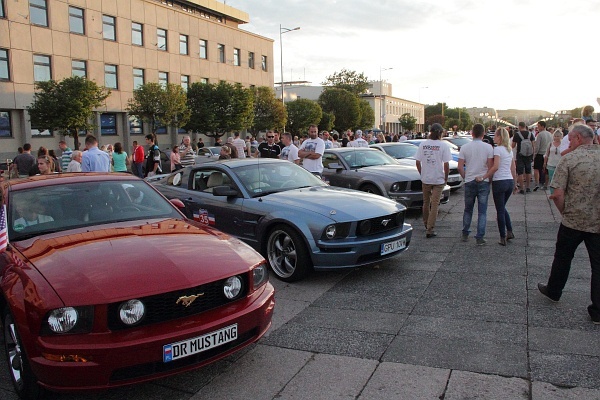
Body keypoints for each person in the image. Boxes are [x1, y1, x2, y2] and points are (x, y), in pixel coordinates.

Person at [537, 124, 600, 325]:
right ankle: (597, 310)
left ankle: (554, 291)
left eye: (571, 139)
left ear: (579, 139)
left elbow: (557, 194)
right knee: (597, 266)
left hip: (573, 220)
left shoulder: (570, 159)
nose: (569, 142)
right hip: (597, 223)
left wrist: (565, 212)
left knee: (563, 257)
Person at [480, 128, 517, 246]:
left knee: (500, 210)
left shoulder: (497, 149)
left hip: (499, 181)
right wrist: (515, 183)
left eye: (495, 135)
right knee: (502, 207)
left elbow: (495, 167)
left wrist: (484, 177)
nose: (493, 137)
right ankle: (509, 231)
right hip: (509, 181)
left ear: (500, 137)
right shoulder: (509, 150)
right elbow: (513, 168)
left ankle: (502, 236)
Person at [458, 123, 494, 245]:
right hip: (483, 180)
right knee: (482, 211)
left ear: (472, 133)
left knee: (468, 209)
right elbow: (490, 166)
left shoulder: (465, 147)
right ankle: (480, 236)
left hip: (470, 181)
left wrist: (466, 177)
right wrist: (488, 179)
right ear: (483, 134)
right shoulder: (488, 148)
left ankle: (465, 232)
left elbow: (460, 167)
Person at [415, 123, 451, 239]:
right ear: (440, 133)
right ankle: (430, 229)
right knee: (435, 203)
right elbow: (446, 164)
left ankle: (426, 223)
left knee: (426, 202)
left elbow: (417, 162)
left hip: (426, 178)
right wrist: (446, 177)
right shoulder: (443, 145)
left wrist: (422, 173)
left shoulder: (423, 144)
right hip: (438, 178)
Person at [512, 122, 534, 194]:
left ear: (519, 126)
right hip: (529, 155)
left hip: (520, 155)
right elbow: (534, 145)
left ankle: (522, 188)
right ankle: (528, 187)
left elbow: (513, 145)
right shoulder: (530, 134)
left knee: (520, 172)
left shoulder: (517, 134)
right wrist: (533, 154)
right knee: (528, 171)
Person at [533, 121, 552, 191]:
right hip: (547, 154)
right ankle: (545, 184)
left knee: (536, 169)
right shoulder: (550, 134)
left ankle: (537, 183)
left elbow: (537, 146)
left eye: (538, 126)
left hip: (540, 153)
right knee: (546, 169)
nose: (537, 127)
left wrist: (534, 154)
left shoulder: (539, 135)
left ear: (542, 126)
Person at [543, 129, 563, 194]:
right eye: (555, 136)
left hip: (560, 164)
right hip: (551, 163)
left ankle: (558, 192)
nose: (556, 137)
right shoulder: (550, 144)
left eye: (558, 136)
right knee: (551, 179)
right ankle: (552, 193)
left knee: (559, 179)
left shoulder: (563, 144)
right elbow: (547, 154)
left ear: (561, 137)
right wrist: (545, 163)